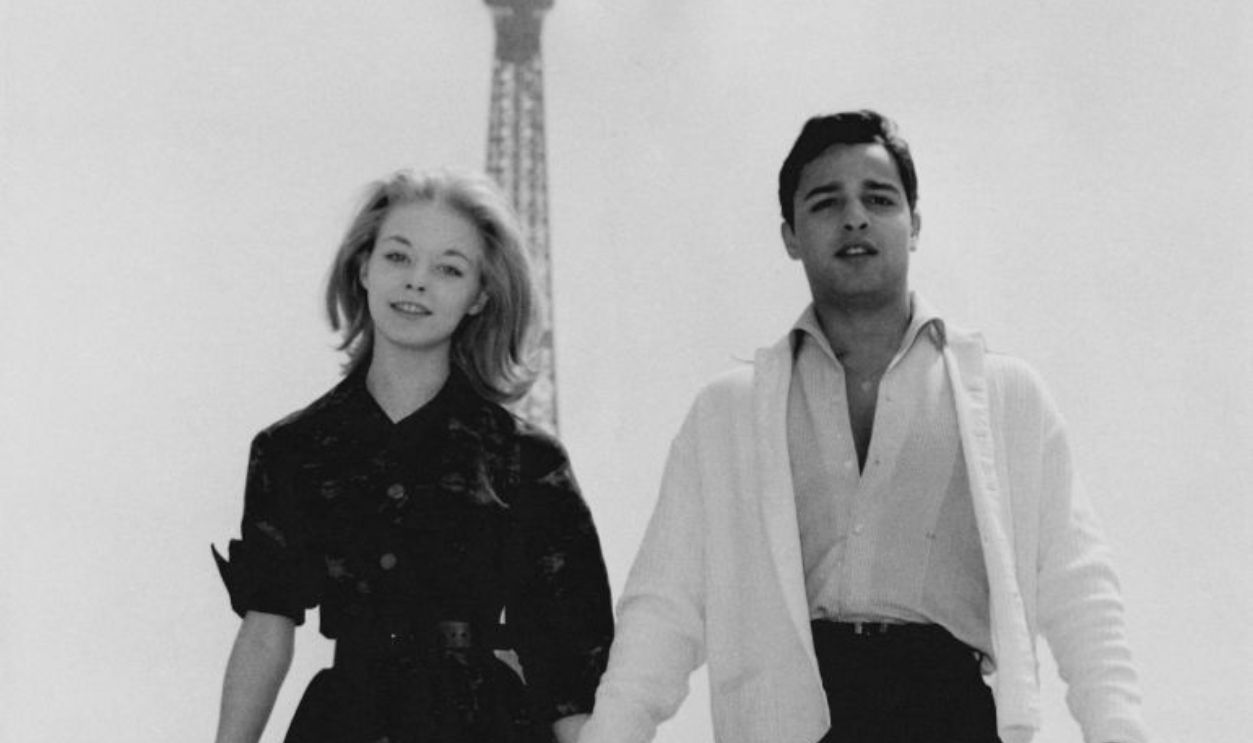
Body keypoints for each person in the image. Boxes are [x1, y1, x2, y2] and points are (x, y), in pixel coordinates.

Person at [577, 111, 1148, 743]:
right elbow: (663, 609)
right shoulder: (727, 412)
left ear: (915, 224)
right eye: (826, 203)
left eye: (879, 199)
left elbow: (1079, 589)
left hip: (948, 712)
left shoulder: (1007, 396)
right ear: (791, 236)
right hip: (792, 716)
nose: (855, 217)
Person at [212, 169, 613, 743]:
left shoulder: (526, 461)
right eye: (398, 257)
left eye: (449, 268)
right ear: (363, 267)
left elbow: (572, 669)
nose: (417, 283)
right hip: (343, 723)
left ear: (480, 296)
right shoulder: (291, 451)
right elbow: (266, 624)